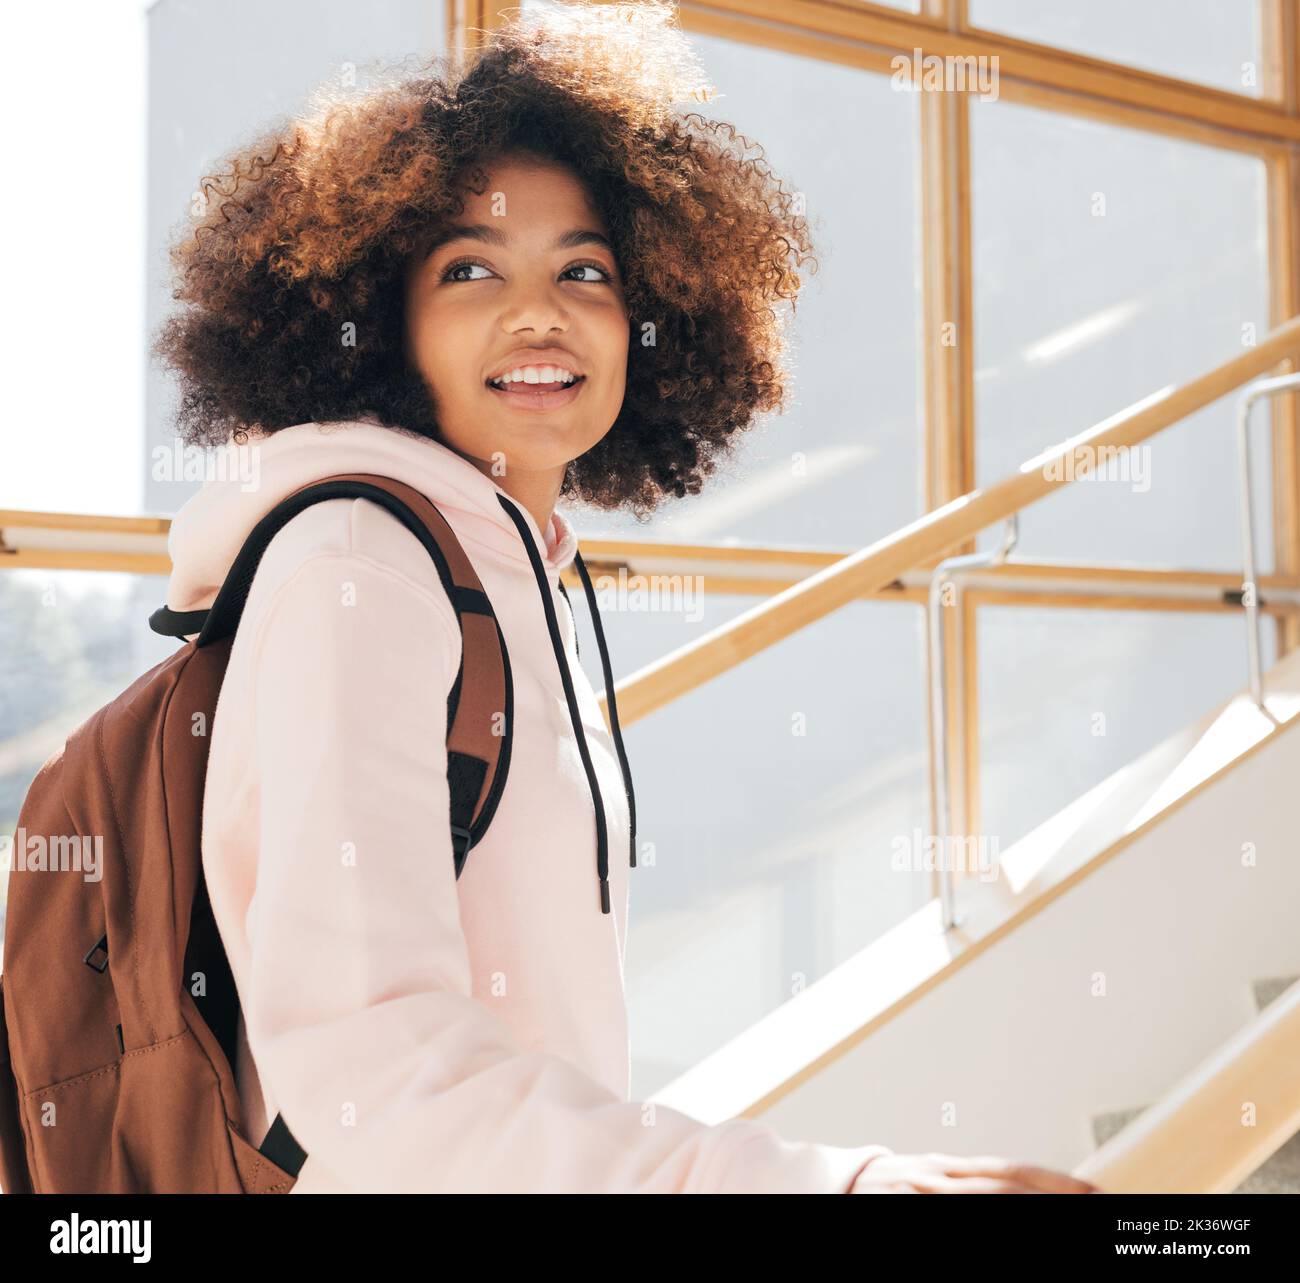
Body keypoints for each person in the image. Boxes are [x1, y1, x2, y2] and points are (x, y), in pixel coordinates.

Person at [152, 0, 1098, 1194]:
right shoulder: (361, 563)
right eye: (469, 268)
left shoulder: (506, 566)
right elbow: (367, 1060)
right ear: (377, 325)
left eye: (584, 269)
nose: (539, 309)